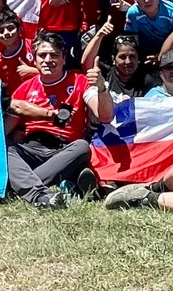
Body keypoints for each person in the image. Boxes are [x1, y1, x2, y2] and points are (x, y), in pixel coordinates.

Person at [7, 32, 112, 209]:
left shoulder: (80, 81)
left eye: (54, 55)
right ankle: (47, 190)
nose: (48, 59)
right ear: (35, 60)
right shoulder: (24, 88)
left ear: (64, 59)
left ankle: (20, 184)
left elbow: (105, 116)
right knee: (4, 148)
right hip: (32, 147)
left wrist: (101, 89)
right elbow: (5, 129)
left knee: (82, 147)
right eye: (42, 55)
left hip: (65, 149)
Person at [81, 28, 159, 98]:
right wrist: (99, 35)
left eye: (132, 56)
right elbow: (86, 63)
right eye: (122, 57)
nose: (128, 61)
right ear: (113, 59)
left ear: (138, 58)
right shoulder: (106, 74)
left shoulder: (147, 80)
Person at [0, 10, 38, 95]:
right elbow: (3, 88)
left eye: (10, 28)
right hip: (18, 101)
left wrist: (32, 71)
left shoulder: (33, 46)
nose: (6, 33)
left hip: (40, 96)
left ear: (19, 30)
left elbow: (56, 72)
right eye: (0, 31)